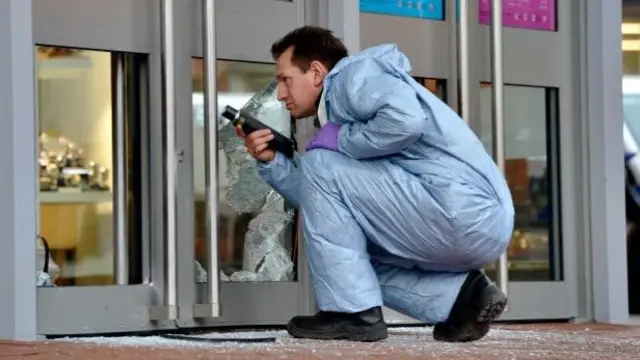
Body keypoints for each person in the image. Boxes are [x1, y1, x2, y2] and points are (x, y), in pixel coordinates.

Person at [236, 26, 514, 343]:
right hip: (474, 222)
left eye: (285, 79)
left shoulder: (350, 78)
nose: (281, 94)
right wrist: (273, 161)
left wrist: (338, 139)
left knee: (320, 163)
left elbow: (405, 119)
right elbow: (324, 206)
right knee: (352, 265)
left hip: (460, 211)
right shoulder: (349, 106)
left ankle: (351, 313)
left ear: (315, 72)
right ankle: (461, 298)